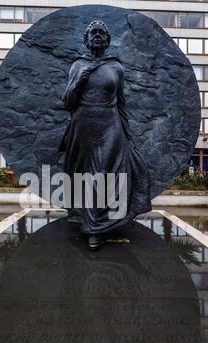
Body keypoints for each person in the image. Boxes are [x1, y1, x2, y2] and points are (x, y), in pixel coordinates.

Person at [60, 20, 152, 250]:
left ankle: (100, 225)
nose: (98, 36)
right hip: (83, 127)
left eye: (102, 32)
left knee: (105, 174)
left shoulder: (115, 67)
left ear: (108, 40)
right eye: (94, 32)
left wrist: (128, 136)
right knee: (86, 176)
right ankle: (91, 227)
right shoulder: (78, 66)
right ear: (87, 39)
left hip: (110, 126)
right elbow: (67, 102)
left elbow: (121, 104)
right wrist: (79, 82)